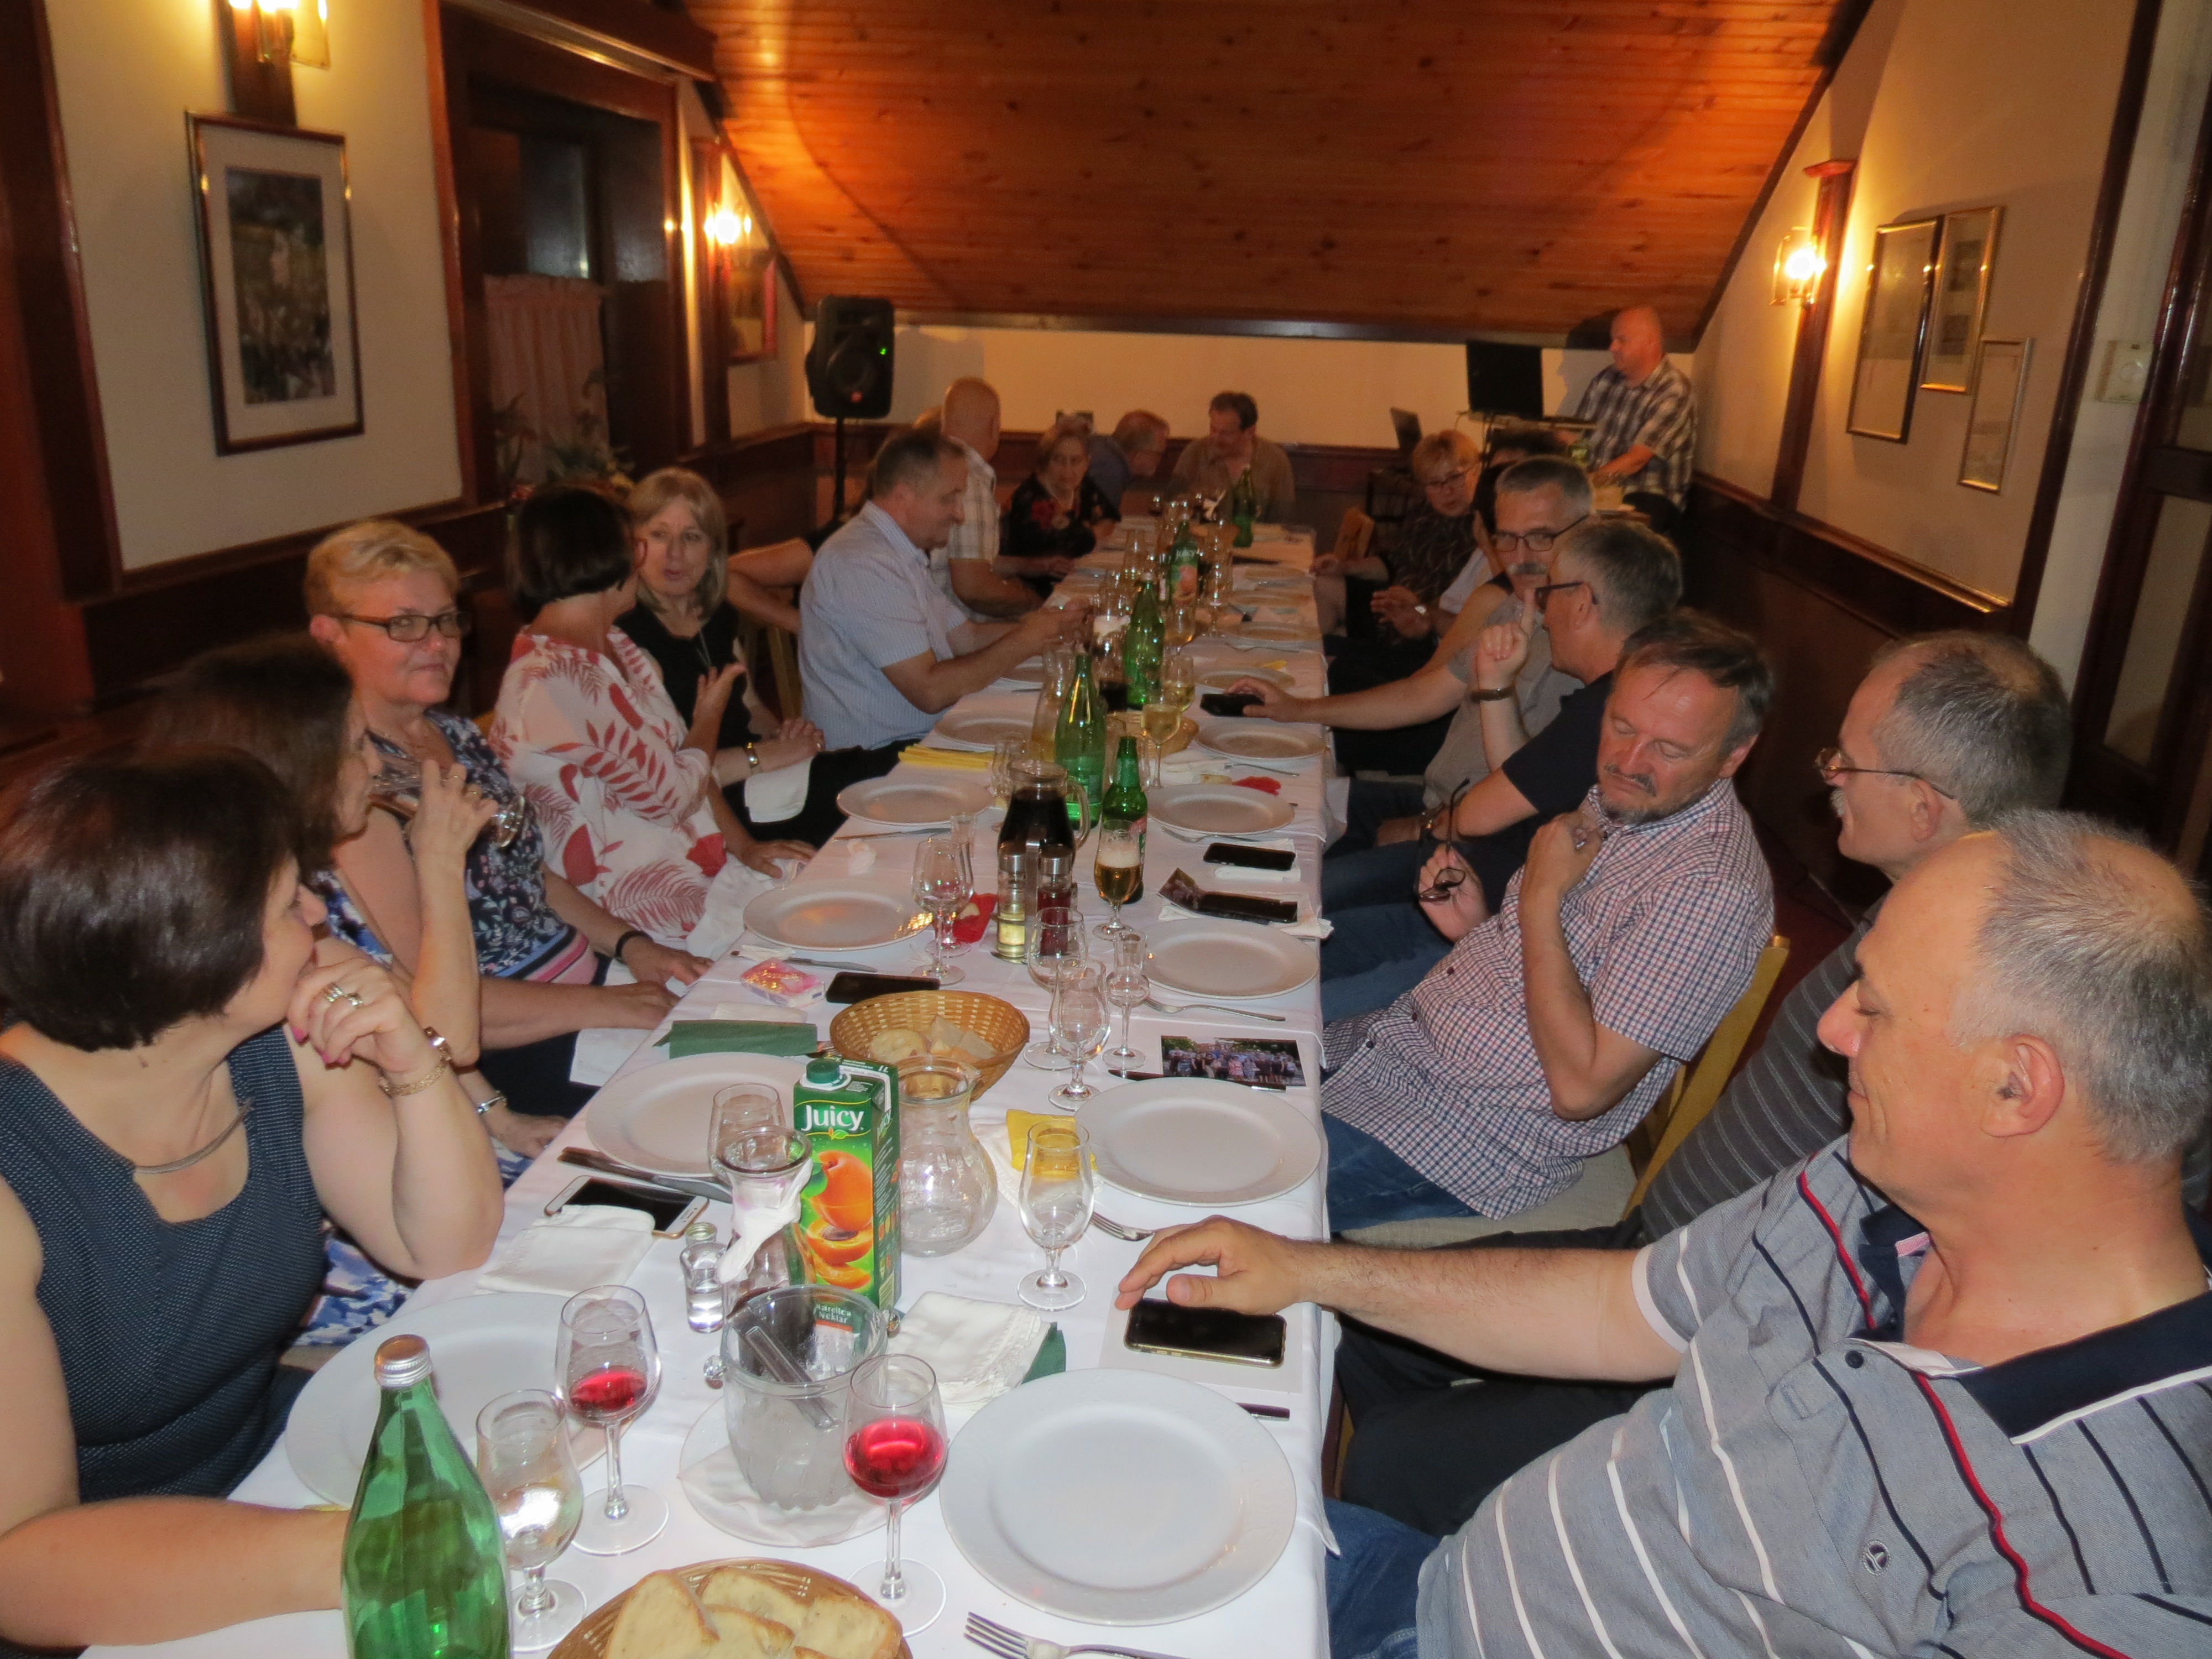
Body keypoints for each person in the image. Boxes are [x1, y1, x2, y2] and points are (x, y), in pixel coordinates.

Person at [1124, 813, 2212, 1659]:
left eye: (1875, 1008)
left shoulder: (2119, 1578)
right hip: (1435, 1586)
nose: (1832, 1032)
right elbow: (1619, 1308)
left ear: (2016, 1088)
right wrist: (1310, 1269)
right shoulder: (1874, 1191)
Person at [1335, 630, 2087, 1538]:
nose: (1828, 778)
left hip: (1720, 1317)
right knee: (1368, 1332)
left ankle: (1472, 1535)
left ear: (1924, 808)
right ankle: (1454, 1525)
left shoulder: (1976, 992)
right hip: (1674, 1245)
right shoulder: (1909, 920)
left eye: (1847, 760)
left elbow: (1885, 1287)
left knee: (1398, 1454)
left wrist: (1537, 902)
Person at [0, 750, 502, 1651]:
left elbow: (444, 1244)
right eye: (286, 903)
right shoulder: (18, 1170)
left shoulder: (278, 1042)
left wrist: (412, 1060)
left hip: (273, 1478)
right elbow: (21, 1566)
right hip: (109, 1593)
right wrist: (380, 1544)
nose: (317, 913)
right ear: (191, 956)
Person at [1322, 611, 1775, 1229]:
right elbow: (1576, 971)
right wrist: (1480, 930)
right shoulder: (1630, 797)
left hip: (1454, 1134)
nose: (1629, 760)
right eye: (1620, 726)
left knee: (1209, 1183)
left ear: (1732, 756)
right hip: (1388, 1052)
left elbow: (1582, 1088)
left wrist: (1538, 897)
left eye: (1669, 749)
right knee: (1195, 1063)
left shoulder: (1708, 893)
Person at [307, 519, 698, 1131]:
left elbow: (526, 874)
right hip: (505, 1049)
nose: (437, 643)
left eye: (446, 620)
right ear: (330, 635)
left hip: (586, 990)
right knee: (706, 1104)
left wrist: (632, 946)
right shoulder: (357, 789)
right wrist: (606, 1004)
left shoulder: (455, 733)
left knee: (755, 1025)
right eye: (403, 624)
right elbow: (427, 1001)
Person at [1290, 515, 1683, 1021]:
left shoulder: (1608, 712)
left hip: (1496, 940)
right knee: (1299, 917)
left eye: (1551, 592)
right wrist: (1497, 683)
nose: (1543, 610)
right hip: (1478, 894)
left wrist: (1423, 826)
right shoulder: (1615, 695)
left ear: (1583, 603)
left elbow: (1476, 816)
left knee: (1294, 958)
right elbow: (1519, 778)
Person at [492, 487, 814, 956]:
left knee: (831, 891)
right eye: (637, 544)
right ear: (605, 556)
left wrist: (745, 847)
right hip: (626, 914)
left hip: (691, 872)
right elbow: (671, 796)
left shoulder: (616, 643)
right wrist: (708, 719)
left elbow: (685, 766)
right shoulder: (554, 678)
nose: (641, 559)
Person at [1286, 457, 1596, 794]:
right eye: (1506, 538)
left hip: (1458, 805)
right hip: (1438, 796)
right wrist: (1296, 709)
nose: (1520, 558)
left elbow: (1535, 792)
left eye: (1540, 537)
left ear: (1589, 529)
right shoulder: (1514, 604)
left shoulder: (1587, 636)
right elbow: (1423, 693)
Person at [797, 427, 1088, 774]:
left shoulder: (899, 551)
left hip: (913, 745)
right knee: (1045, 761)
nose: (960, 514)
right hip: (874, 764)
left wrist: (1050, 629)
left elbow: (966, 637)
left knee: (1052, 738)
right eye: (949, 498)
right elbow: (930, 690)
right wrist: (1026, 639)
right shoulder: (862, 563)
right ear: (903, 497)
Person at [614, 467, 838, 844]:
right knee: (861, 792)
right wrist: (766, 755)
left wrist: (780, 734)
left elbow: (750, 706)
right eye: (659, 535)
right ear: (634, 545)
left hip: (757, 784)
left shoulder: (716, 616)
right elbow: (663, 775)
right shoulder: (626, 638)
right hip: (702, 813)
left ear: (713, 551)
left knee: (873, 774)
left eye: (691, 537)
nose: (674, 554)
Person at [1312, 430, 1483, 641]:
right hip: (1392, 607)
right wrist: (1343, 567)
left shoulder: (1484, 529)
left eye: (1455, 478)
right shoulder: (1424, 513)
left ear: (1477, 471)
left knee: (1329, 645)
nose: (1446, 491)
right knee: (1323, 585)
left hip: (1426, 627)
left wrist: (1418, 608)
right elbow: (1393, 563)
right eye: (1434, 483)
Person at [1575, 304, 1695, 532]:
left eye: (1622, 340)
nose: (1612, 347)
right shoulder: (1605, 379)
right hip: (1599, 491)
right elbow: (1576, 437)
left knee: (1613, 533)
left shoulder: (1674, 390)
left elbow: (1637, 460)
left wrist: (1583, 486)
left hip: (1647, 494)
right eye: (1613, 340)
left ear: (1651, 342)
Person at [937, 377, 1046, 617]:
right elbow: (975, 589)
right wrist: (1038, 604)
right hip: (951, 632)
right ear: (995, 425)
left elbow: (963, 560)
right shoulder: (969, 479)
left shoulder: (933, 465)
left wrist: (1026, 566)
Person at [1003, 418, 1119, 587]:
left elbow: (1110, 520)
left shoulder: (1083, 487)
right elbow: (1073, 546)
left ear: (1087, 463)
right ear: (1046, 461)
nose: (1068, 469)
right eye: (1059, 460)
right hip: (1032, 587)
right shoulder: (1032, 498)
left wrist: (1088, 533)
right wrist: (1093, 533)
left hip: (1072, 579)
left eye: (1076, 461)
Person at [1168, 390, 1296, 519]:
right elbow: (1172, 505)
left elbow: (1283, 518)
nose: (1216, 438)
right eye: (1213, 429)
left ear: (1250, 432)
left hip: (1255, 532)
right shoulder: (1195, 453)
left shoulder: (1275, 460)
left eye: (1226, 433)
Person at [1088, 408, 1169, 513]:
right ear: (1138, 457)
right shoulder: (1108, 470)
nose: (1160, 460)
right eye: (1160, 454)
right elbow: (1098, 520)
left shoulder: (1103, 450)